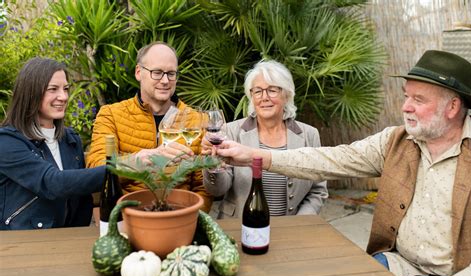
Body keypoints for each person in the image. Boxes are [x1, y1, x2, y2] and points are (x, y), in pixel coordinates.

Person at [213, 50, 471, 276]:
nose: (405, 106)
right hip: (399, 265)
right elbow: (332, 159)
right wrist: (255, 156)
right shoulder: (395, 141)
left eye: (418, 99)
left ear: (451, 107)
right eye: (406, 96)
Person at [86, 41, 212, 212]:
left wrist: (190, 219)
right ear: (139, 72)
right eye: (157, 73)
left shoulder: (196, 120)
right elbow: (97, 169)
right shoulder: (111, 115)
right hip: (128, 216)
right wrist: (137, 161)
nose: (165, 80)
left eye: (171, 73)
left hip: (179, 216)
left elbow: (203, 187)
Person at [203, 60, 328, 218]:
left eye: (272, 90)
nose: (264, 97)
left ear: (287, 95)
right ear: (251, 96)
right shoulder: (230, 131)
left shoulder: (309, 135)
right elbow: (217, 190)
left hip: (291, 230)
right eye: (258, 91)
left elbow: (318, 191)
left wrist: (298, 224)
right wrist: (212, 165)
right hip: (239, 226)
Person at [0, 57, 106, 230]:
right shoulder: (7, 142)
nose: (63, 97)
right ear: (31, 93)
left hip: (66, 241)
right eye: (53, 89)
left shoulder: (70, 140)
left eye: (65, 89)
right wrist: (121, 169)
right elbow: (53, 183)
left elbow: (81, 200)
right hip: (19, 244)